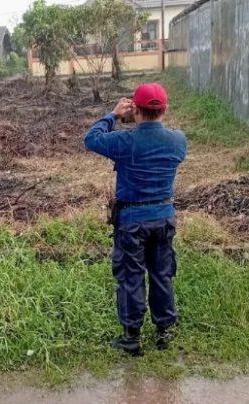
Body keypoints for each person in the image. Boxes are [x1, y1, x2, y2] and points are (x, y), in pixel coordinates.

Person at [84, 83, 187, 356]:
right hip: (164, 218)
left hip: (132, 221)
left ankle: (132, 337)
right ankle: (165, 332)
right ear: (164, 110)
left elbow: (91, 139)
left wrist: (114, 115)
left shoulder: (125, 141)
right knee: (162, 274)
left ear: (136, 111)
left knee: (131, 278)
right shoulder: (178, 140)